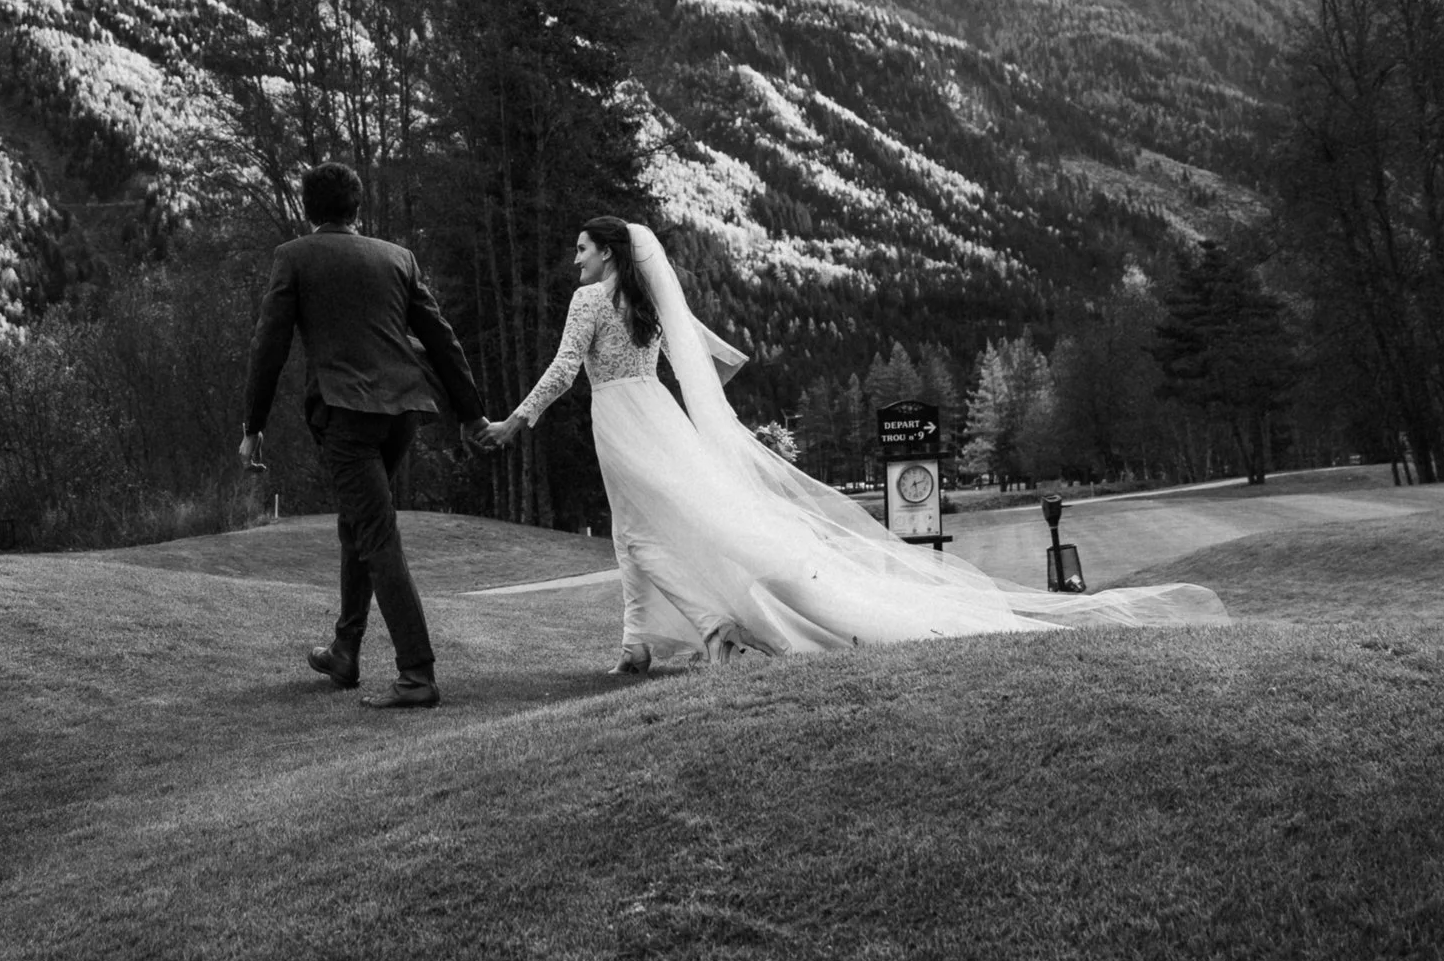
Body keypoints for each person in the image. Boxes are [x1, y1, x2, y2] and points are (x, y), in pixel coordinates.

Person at [483, 218, 1226, 672]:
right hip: (660, 416)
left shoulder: (589, 300)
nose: (573, 258)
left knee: (640, 539)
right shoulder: (642, 299)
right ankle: (636, 644)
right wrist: (727, 367)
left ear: (607, 254)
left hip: (620, 421)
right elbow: (699, 347)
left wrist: (516, 420)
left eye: (581, 248)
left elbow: (560, 369)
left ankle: (708, 630)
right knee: (637, 533)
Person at [241, 163, 487, 709]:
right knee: (357, 526)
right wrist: (471, 414)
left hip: (346, 416)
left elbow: (269, 346)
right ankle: (345, 650)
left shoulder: (294, 257)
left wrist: (253, 427)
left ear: (310, 209)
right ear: (356, 209)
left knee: (375, 535)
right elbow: (441, 340)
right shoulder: (397, 258)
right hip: (402, 411)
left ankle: (417, 674)